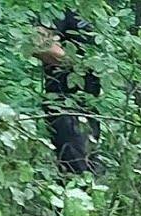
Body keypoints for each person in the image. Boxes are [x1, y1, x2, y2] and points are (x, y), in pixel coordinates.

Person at [32, 10, 100, 175]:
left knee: (90, 167)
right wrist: (79, 65)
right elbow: (39, 43)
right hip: (64, 103)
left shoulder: (89, 8)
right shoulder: (59, 8)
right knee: (78, 170)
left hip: (88, 104)